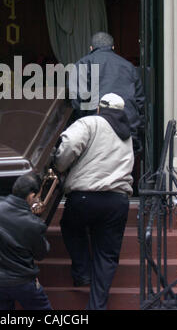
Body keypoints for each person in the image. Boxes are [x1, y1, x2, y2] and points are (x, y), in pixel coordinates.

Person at [54, 93, 134, 310]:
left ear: (100, 108)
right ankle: (96, 306)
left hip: (84, 196)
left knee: (70, 227)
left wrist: (60, 167)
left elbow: (68, 145)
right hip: (118, 200)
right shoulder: (127, 134)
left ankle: (81, 272)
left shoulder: (90, 122)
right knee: (107, 256)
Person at [0, 173, 52, 310]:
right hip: (23, 281)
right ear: (31, 196)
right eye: (37, 196)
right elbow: (41, 253)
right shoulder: (34, 224)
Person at [70, 31, 145, 154]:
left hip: (96, 132)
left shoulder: (83, 64)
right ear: (113, 47)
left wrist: (80, 127)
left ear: (91, 48)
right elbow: (140, 103)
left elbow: (75, 102)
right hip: (127, 129)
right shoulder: (128, 66)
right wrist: (138, 130)